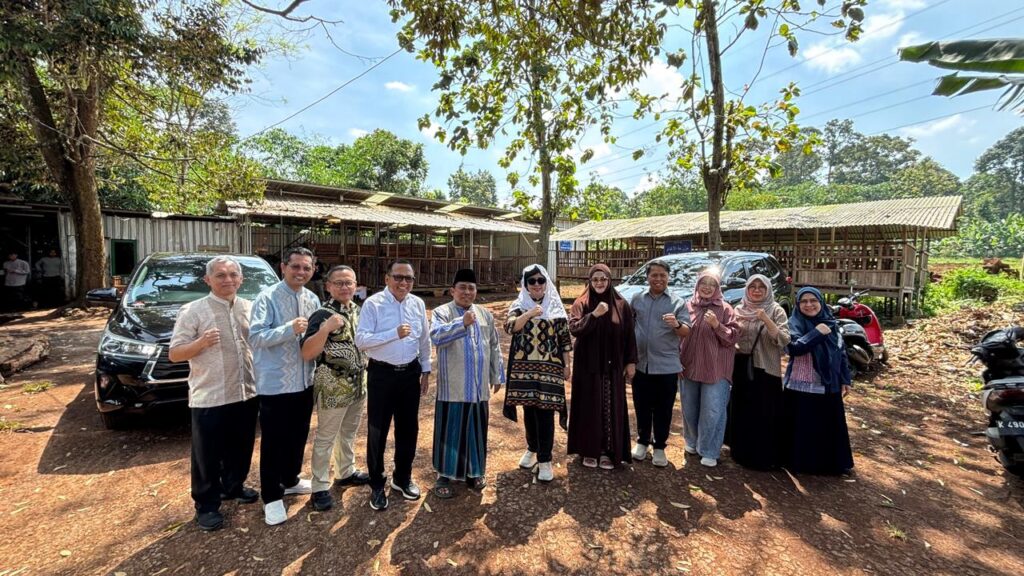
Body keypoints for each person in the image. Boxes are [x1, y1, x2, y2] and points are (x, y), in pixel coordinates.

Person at [168, 256, 260, 532]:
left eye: (233, 274)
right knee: (206, 455)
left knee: (241, 447)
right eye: (220, 275)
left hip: (245, 392)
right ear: (208, 280)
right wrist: (201, 343)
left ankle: (233, 486)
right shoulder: (193, 311)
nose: (228, 280)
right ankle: (206, 504)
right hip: (210, 395)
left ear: (241, 279)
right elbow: (175, 353)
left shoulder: (249, 308)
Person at [249, 246, 321, 525]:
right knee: (274, 442)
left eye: (306, 267)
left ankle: (290, 479)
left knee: (298, 435)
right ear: (283, 267)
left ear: (313, 270)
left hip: (305, 381)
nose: (301, 272)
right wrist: (289, 329)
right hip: (276, 384)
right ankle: (271, 497)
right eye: (296, 266)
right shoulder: (266, 297)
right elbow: (256, 337)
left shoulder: (312, 299)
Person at [355, 260, 431, 511]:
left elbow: (424, 339)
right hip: (382, 375)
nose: (403, 283)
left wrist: (426, 370)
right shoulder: (373, 304)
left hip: (410, 374)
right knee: (378, 430)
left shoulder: (417, 304)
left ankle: (402, 478)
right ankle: (377, 484)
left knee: (408, 428)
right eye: (398, 277)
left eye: (409, 278)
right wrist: (393, 334)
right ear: (387, 279)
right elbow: (361, 340)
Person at [428, 269, 504, 498]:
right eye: (462, 287)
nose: (467, 292)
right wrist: (461, 323)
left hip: (478, 388)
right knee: (450, 432)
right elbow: (436, 337)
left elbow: (494, 345)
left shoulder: (485, 314)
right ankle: (444, 475)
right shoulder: (442, 312)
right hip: (453, 387)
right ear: (453, 290)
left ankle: (474, 472)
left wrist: (496, 375)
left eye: (471, 288)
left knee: (476, 432)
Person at [300, 265, 370, 512]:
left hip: (358, 385)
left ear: (356, 285)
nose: (344, 287)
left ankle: (345, 471)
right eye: (338, 283)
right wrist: (326, 329)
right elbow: (307, 352)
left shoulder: (359, 311)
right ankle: (319, 485)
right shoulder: (321, 314)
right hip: (332, 387)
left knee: (349, 432)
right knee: (326, 437)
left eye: (349, 282)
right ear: (328, 286)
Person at [502, 264, 572, 483]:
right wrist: (530, 313)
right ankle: (532, 448)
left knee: (546, 413)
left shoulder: (555, 306)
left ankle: (545, 460)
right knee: (529, 410)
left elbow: (564, 340)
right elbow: (510, 327)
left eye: (541, 280)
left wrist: (567, 365)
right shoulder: (519, 305)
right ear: (525, 284)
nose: (537, 285)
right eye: (531, 281)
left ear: (546, 282)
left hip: (550, 370)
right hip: (524, 370)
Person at [567, 264, 637, 470]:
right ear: (590, 282)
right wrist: (594, 315)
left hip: (612, 365)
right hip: (587, 366)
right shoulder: (581, 303)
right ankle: (589, 450)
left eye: (603, 279)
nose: (599, 283)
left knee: (610, 406)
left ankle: (608, 451)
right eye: (595, 279)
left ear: (609, 280)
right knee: (589, 406)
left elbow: (629, 335)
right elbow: (574, 328)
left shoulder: (621, 305)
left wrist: (631, 361)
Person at [781, 287, 855, 475]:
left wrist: (845, 379)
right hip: (800, 384)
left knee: (827, 425)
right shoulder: (794, 323)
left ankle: (830, 465)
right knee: (802, 425)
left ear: (821, 302)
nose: (809, 305)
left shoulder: (831, 323)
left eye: (813, 300)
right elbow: (794, 348)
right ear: (798, 304)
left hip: (828, 383)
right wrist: (817, 333)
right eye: (804, 301)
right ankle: (800, 463)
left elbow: (840, 352)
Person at [629, 260, 690, 467]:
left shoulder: (677, 302)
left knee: (664, 409)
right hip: (641, 365)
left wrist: (677, 324)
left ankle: (660, 447)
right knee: (642, 405)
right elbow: (629, 326)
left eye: (662, 275)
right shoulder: (637, 299)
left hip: (666, 366)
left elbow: (686, 331)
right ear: (647, 277)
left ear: (668, 277)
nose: (658, 279)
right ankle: (642, 442)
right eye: (654, 275)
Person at [728, 275, 790, 470]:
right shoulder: (738, 309)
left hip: (766, 369)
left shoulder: (776, 310)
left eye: (761, 287)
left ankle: (764, 457)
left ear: (768, 290)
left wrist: (765, 319)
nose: (756, 290)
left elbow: (784, 339)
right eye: (752, 287)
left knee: (764, 413)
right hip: (740, 367)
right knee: (742, 410)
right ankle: (740, 452)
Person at [679, 270, 739, 468]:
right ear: (697, 285)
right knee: (689, 407)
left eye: (711, 284)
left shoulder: (725, 309)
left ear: (717, 288)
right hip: (689, 365)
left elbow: (732, 338)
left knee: (713, 410)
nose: (707, 287)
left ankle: (710, 449)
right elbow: (678, 333)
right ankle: (692, 440)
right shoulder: (688, 306)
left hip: (716, 368)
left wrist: (716, 325)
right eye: (703, 283)